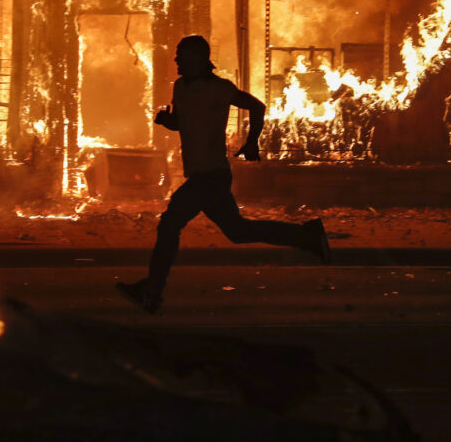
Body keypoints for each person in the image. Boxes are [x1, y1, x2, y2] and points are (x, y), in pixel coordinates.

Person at [116, 35, 330, 314]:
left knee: (169, 224)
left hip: (211, 176)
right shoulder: (180, 87)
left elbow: (257, 106)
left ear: (198, 58)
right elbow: (183, 122)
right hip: (201, 175)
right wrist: (168, 121)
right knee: (238, 232)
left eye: (182, 55)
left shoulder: (219, 88)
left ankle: (152, 290)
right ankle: (307, 236)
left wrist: (252, 141)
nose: (176, 60)